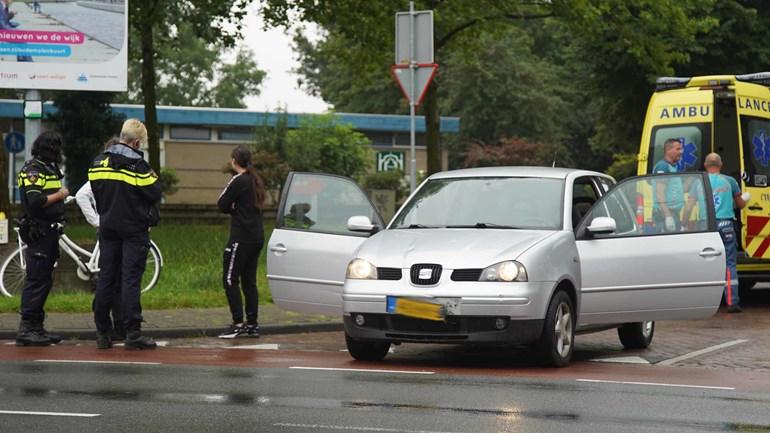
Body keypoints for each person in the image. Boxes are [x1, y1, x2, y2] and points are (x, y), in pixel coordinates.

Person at [88, 119, 161, 349]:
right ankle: (132, 333)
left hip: (107, 227)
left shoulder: (98, 163)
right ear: (137, 142)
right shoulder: (139, 166)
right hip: (133, 230)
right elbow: (155, 193)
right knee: (130, 280)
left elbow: (96, 191)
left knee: (106, 278)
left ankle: (102, 333)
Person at [15, 131, 68, 346]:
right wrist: (60, 195)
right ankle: (26, 329)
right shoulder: (33, 171)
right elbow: (36, 202)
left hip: (50, 231)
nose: (60, 152)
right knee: (36, 279)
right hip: (39, 231)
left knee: (45, 279)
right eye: (57, 148)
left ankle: (37, 327)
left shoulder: (47, 168)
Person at [76, 137, 124, 340]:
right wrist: (95, 221)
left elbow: (81, 195)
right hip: (120, 230)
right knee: (119, 280)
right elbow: (81, 196)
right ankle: (120, 325)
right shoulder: (120, 173)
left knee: (107, 278)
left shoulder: (99, 174)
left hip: (106, 230)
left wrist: (97, 222)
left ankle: (104, 328)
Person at [216, 145, 266, 339]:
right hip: (257, 237)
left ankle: (238, 323)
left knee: (230, 279)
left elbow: (222, 204)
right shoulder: (255, 180)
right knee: (249, 281)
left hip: (241, 238)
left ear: (234, 161)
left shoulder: (237, 180)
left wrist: (234, 208)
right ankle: (252, 324)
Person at [695, 153, 748, 313]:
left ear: (705, 165)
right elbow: (740, 205)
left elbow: (690, 205)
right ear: (721, 164)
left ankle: (704, 302)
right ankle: (732, 302)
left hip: (707, 226)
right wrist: (745, 198)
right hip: (726, 225)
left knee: (704, 261)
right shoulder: (730, 181)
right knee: (729, 263)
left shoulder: (699, 182)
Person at [653, 138, 684, 232]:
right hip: (665, 214)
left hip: (671, 213)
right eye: (678, 149)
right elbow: (660, 193)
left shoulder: (673, 167)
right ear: (668, 150)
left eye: (681, 149)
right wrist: (668, 216)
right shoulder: (663, 166)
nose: (681, 152)